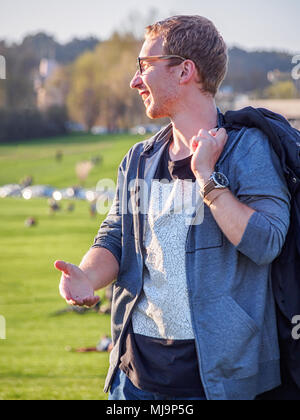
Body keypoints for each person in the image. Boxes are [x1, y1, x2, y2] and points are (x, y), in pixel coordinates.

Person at [54, 15, 290, 400]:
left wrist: (208, 178)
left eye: (144, 66)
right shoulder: (138, 159)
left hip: (220, 383)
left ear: (185, 71)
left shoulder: (248, 150)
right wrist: (87, 276)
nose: (135, 81)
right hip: (134, 381)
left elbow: (265, 243)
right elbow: (116, 237)